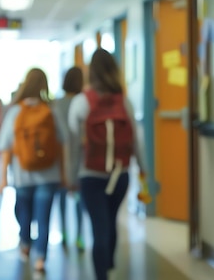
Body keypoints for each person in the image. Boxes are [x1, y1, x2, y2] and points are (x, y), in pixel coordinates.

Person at [68, 49, 147, 280]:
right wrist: (142, 168)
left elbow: (74, 145)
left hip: (90, 175)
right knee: (110, 221)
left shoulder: (81, 102)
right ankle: (109, 265)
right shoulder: (125, 102)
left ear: (90, 72)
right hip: (120, 175)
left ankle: (102, 274)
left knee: (98, 227)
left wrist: (72, 176)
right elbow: (136, 139)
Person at [0, 68, 67, 277]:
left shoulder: (16, 111)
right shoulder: (51, 110)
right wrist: (63, 174)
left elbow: (6, 147)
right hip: (50, 174)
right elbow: (62, 144)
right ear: (45, 85)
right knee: (44, 217)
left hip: (22, 175)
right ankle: (40, 259)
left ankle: (25, 241)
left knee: (23, 213)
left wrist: (3, 178)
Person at [53, 66, 86, 252]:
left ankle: (64, 231)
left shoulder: (57, 103)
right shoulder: (83, 102)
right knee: (80, 198)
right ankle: (80, 235)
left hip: (60, 159)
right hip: (80, 156)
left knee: (62, 197)